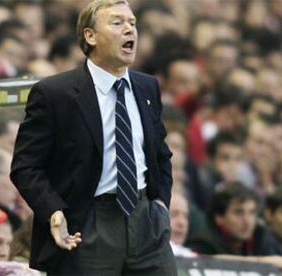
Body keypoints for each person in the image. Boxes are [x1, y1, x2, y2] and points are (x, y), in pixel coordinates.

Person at [10, 0, 176, 275]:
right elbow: (25, 167)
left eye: (133, 23)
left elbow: (160, 154)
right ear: (90, 36)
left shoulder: (148, 87)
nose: (129, 30)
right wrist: (53, 211)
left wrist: (160, 204)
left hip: (146, 221)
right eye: (117, 23)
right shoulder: (55, 93)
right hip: (88, 223)